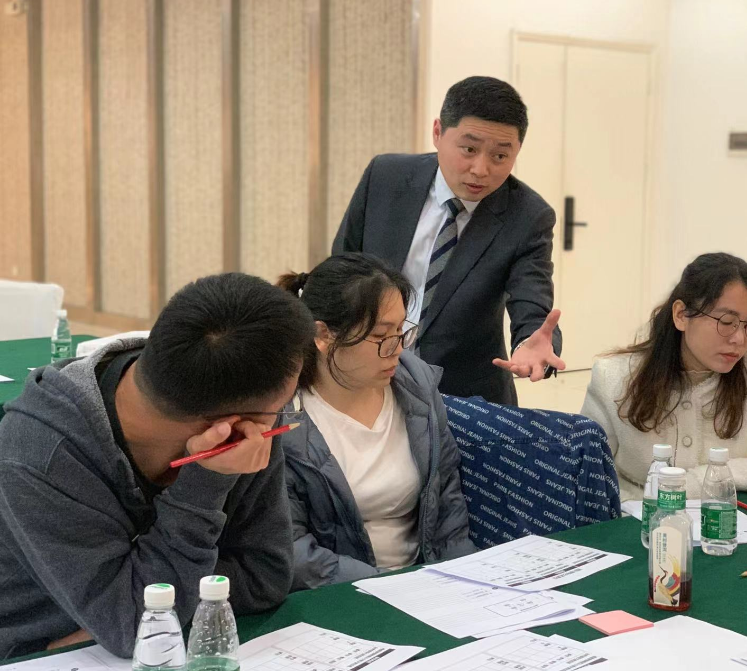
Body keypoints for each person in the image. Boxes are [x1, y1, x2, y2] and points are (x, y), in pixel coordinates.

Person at [0, 273, 315, 659]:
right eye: (282, 407)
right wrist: (204, 485)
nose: (278, 419)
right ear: (224, 426)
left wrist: (131, 608)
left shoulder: (244, 416)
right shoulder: (41, 454)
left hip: (125, 644)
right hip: (37, 654)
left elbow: (266, 576)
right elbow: (137, 626)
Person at [332, 75, 564, 405]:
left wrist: (533, 341)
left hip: (463, 395)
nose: (480, 169)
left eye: (500, 156)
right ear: (438, 132)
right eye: (469, 149)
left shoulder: (528, 216)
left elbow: (532, 299)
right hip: (363, 379)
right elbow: (343, 265)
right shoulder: (385, 176)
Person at [276, 253, 477, 589]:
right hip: (340, 594)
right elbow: (291, 550)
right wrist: (386, 587)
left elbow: (447, 509)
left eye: (401, 331)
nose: (397, 349)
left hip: (427, 586)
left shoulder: (417, 387)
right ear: (323, 335)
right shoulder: (281, 417)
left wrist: (466, 582)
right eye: (382, 337)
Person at [581, 252, 747, 501]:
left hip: (719, 516)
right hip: (633, 513)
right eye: (726, 322)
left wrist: (706, 478)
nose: (739, 339)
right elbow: (586, 477)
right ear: (681, 315)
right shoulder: (614, 376)